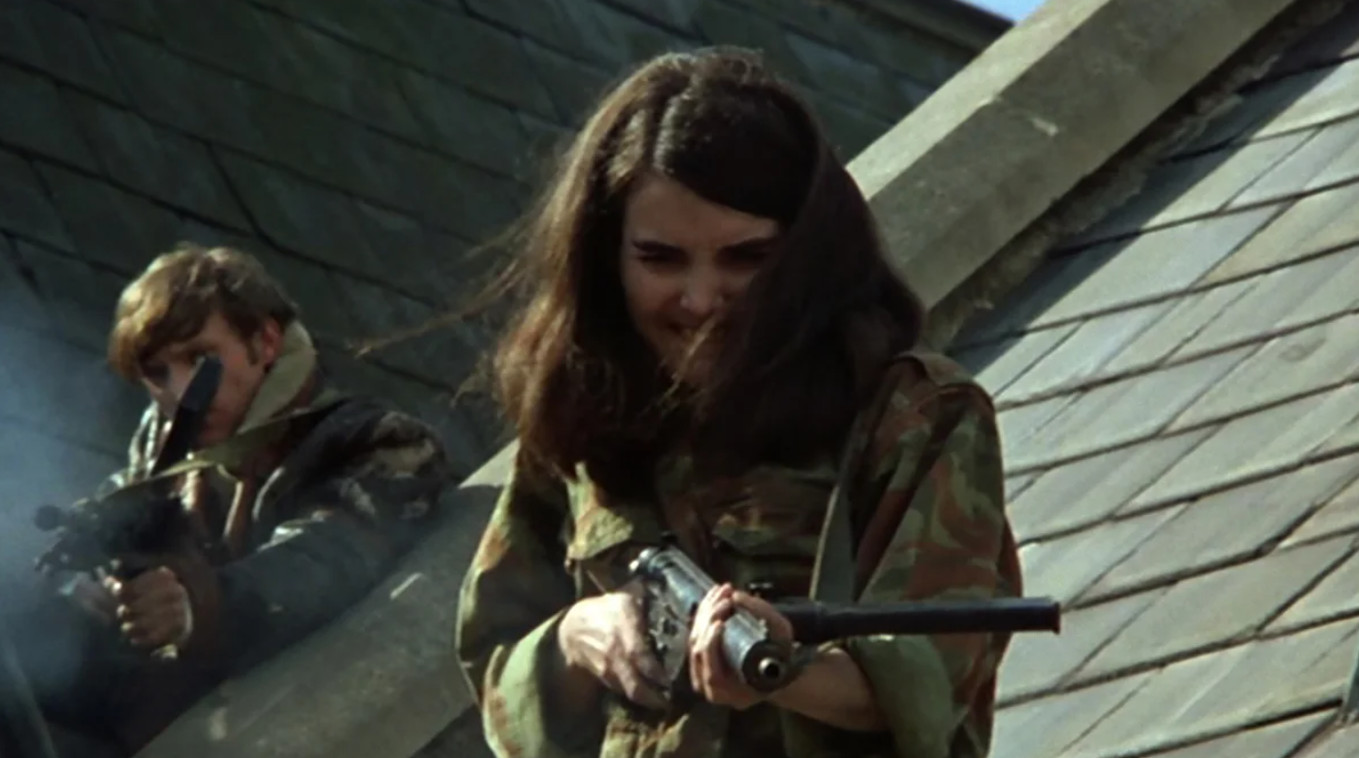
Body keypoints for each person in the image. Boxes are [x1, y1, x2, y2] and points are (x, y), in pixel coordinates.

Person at [455, 47, 1021, 758]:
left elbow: (936, 671)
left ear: (806, 257)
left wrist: (782, 669)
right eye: (660, 259)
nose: (699, 300)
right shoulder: (583, 418)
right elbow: (494, 666)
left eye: (745, 258)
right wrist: (577, 637)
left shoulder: (912, 415)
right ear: (606, 256)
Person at [12, 243, 454, 756]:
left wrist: (196, 605)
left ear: (264, 341)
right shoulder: (164, 447)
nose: (179, 392)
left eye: (200, 359)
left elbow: (320, 561)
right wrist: (83, 579)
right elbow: (114, 508)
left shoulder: (379, 443)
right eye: (158, 373)